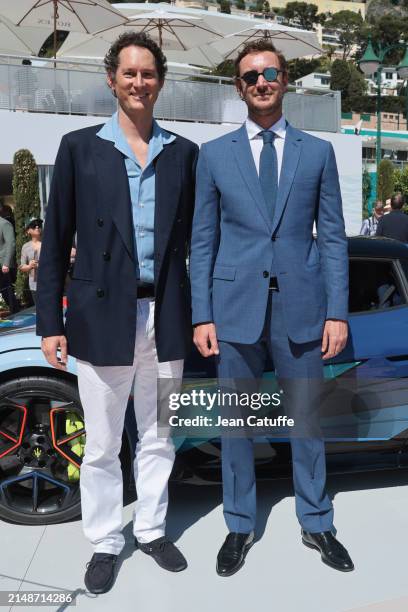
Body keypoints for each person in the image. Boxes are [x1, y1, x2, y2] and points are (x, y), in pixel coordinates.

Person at [36, 32, 198, 594]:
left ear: (161, 82)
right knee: (103, 443)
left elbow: (195, 245)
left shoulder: (183, 152)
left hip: (165, 315)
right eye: (128, 73)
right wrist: (48, 324)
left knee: (157, 434)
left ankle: (151, 528)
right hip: (101, 315)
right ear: (112, 80)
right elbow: (55, 241)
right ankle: (106, 539)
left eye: (148, 74)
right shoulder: (80, 146)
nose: (138, 83)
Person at [190, 40, 353, 577]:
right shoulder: (213, 156)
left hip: (302, 308)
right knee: (237, 424)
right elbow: (203, 241)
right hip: (234, 308)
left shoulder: (318, 152)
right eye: (251, 75)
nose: (262, 81)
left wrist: (337, 312)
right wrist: (202, 314)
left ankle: (317, 520)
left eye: (271, 72)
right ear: (239, 87)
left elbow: (332, 238)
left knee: (306, 419)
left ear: (285, 81)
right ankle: (239, 525)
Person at [20, 217, 43, 305]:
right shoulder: (26, 247)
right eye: (33, 225)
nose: (37, 227)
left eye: (39, 225)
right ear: (28, 230)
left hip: (48, 282)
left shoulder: (47, 243)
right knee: (39, 309)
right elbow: (22, 267)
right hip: (34, 285)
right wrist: (29, 266)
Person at [0, 214, 19, 314]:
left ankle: (16, 314)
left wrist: (6, 263)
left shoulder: (4, 224)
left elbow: (10, 244)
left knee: (7, 293)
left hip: (3, 265)